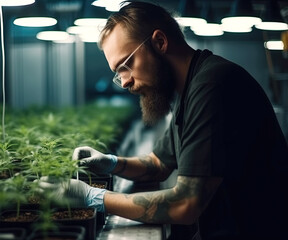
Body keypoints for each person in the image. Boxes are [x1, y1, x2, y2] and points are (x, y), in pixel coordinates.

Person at [39, 1, 288, 239]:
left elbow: (185, 205)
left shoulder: (214, 85)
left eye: (126, 65)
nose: (124, 82)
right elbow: (159, 163)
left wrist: (93, 197)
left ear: (159, 42)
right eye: (118, 74)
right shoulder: (188, 87)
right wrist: (110, 163)